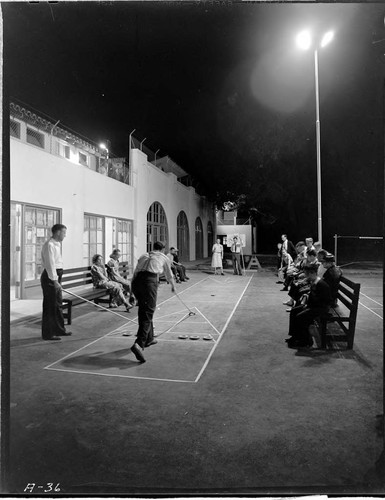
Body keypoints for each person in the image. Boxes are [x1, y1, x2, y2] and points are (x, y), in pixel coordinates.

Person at [130, 241, 176, 363]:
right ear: (162, 249)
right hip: (149, 282)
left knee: (144, 310)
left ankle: (149, 339)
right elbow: (169, 274)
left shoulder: (144, 255)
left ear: (153, 248)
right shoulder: (164, 257)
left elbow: (135, 273)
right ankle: (138, 344)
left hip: (136, 283)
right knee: (148, 312)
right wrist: (173, 286)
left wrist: (131, 292)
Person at [286, 263, 331, 349]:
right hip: (313, 305)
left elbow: (325, 301)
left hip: (320, 308)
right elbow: (313, 295)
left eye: (307, 274)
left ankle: (305, 341)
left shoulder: (321, 284)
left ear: (312, 273)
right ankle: (295, 336)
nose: (306, 277)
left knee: (300, 317)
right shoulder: (314, 281)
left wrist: (308, 304)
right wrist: (307, 296)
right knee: (294, 310)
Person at [40, 223, 71, 341]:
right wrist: (55, 280)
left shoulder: (56, 244)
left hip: (56, 275)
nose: (65, 235)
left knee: (58, 304)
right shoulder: (49, 245)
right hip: (50, 277)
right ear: (58, 232)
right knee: (50, 306)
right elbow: (50, 264)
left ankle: (59, 330)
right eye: (64, 232)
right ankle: (49, 334)